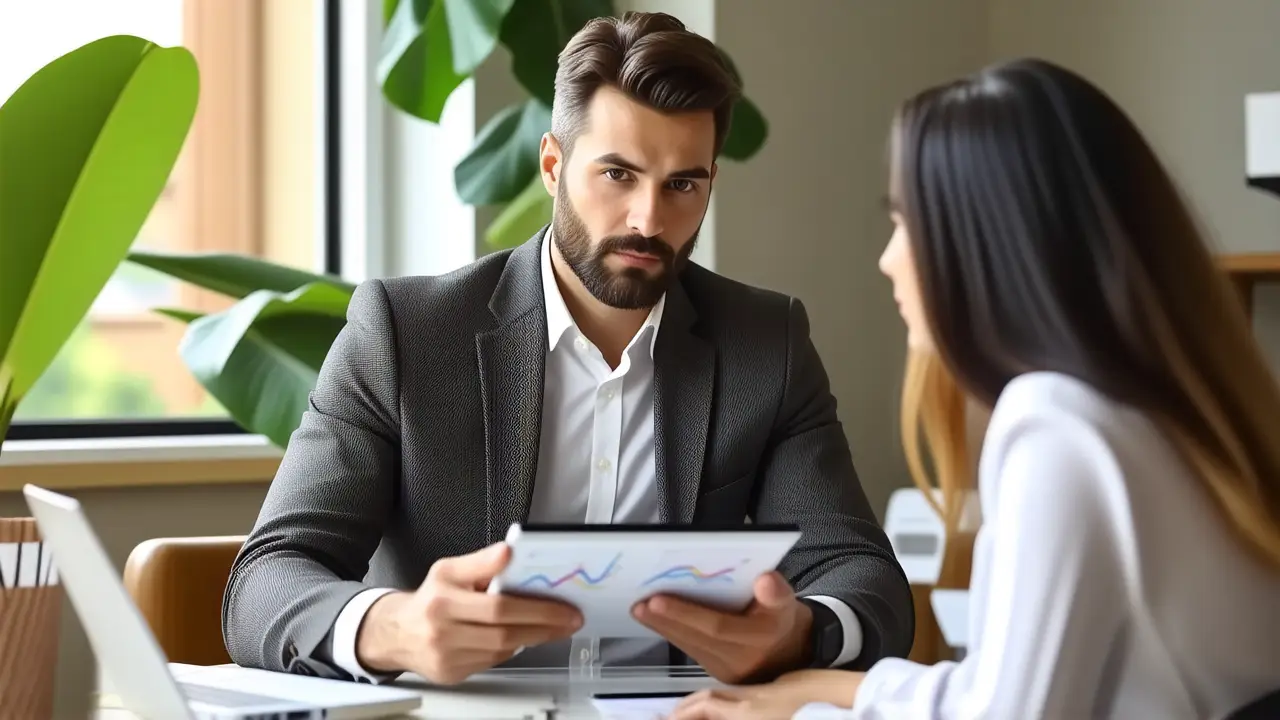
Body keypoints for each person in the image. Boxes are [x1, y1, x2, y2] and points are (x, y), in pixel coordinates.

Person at [220, 11, 914, 687]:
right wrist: (395, 628)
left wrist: (799, 631)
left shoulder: (765, 343)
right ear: (553, 165)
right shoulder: (407, 333)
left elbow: (863, 576)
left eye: (682, 185)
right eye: (618, 174)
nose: (649, 219)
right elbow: (265, 580)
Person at [669, 58, 1280, 719]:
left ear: (983, 242)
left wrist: (811, 700)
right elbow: (992, 692)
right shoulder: (1164, 418)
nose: (887, 259)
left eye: (905, 223)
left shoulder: (1056, 429)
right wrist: (820, 690)